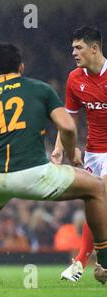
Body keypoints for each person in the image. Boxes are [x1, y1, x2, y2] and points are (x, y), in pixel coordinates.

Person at [0, 43, 107, 286]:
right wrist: (72, 153)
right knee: (96, 188)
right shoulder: (40, 89)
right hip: (35, 174)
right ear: (21, 67)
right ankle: (103, 262)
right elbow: (68, 127)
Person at [52, 26, 107, 283]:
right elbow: (68, 118)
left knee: (101, 193)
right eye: (73, 47)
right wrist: (60, 148)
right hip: (93, 154)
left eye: (78, 47)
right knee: (94, 203)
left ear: (94, 48)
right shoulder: (75, 79)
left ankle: (80, 262)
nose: (73, 52)